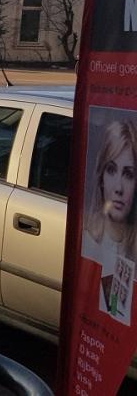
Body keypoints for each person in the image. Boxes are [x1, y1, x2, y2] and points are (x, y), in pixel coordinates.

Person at [83, 118, 137, 322]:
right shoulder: (87, 239)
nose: (119, 187)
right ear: (101, 178)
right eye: (112, 170)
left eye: (129, 174)